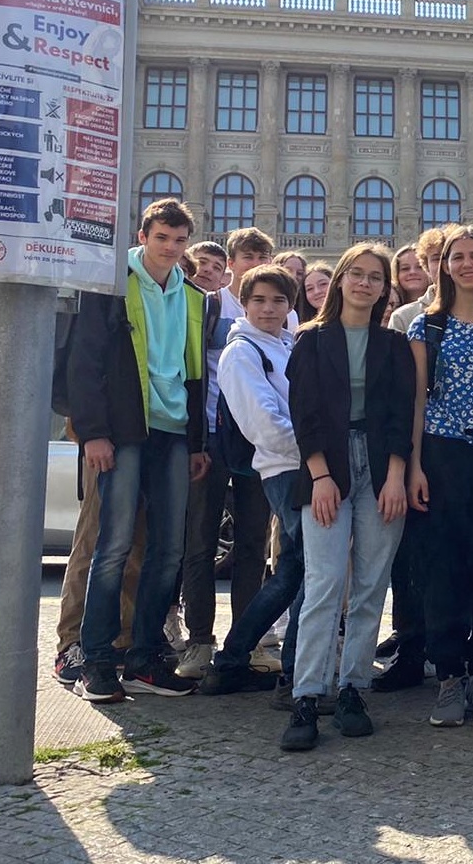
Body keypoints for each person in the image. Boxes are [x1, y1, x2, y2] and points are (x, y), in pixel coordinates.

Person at [69, 198, 209, 702]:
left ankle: (145, 658)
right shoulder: (111, 285)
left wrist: (197, 442)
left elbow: (196, 372)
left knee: (168, 550)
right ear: (143, 236)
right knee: (113, 547)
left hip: (175, 430)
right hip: (125, 429)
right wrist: (94, 432)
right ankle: (96, 661)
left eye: (179, 240)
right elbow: (85, 363)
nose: (169, 248)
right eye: (161, 238)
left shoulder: (193, 295)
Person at [280, 242, 415, 751]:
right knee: (324, 583)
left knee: (371, 586)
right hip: (327, 469)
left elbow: (402, 414)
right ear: (340, 280)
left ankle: (354, 688)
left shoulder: (394, 345)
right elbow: (304, 413)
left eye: (375, 277)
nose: (365, 283)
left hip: (381, 469)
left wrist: (396, 476)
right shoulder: (311, 340)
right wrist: (320, 476)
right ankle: (306, 695)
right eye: (356, 274)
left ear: (384, 289)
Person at [406, 226, 473, 728]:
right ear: (444, 266)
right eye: (457, 257)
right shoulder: (427, 325)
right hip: (441, 453)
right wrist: (414, 466)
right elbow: (416, 401)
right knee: (443, 570)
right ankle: (449, 675)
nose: (467, 264)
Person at [200, 264, 307, 699]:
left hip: (299, 466)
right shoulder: (241, 352)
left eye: (278, 300)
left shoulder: (284, 344)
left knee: (293, 570)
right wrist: (316, 451)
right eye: (259, 300)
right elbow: (264, 424)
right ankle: (296, 674)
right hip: (286, 469)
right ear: (243, 303)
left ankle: (230, 661)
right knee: (311, 570)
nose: (268, 308)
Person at [177, 227, 275, 680]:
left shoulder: (281, 313)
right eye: (247, 257)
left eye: (262, 257)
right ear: (231, 264)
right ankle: (199, 641)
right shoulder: (210, 305)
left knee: (253, 544)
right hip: (212, 436)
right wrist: (194, 439)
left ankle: (246, 642)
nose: (255, 264)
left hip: (256, 442)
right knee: (199, 542)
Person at [378, 227, 450, 689]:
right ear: (425, 267)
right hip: (416, 446)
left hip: (460, 449)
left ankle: (453, 653)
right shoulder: (407, 317)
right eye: (435, 258)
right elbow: (397, 392)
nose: (444, 266)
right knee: (408, 556)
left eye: (449, 256)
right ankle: (410, 649)